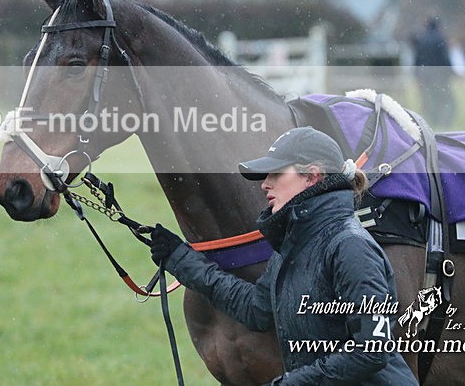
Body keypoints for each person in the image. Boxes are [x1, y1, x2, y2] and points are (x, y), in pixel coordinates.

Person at [149, 127, 418, 385]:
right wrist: (181, 260)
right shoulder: (293, 245)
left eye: (276, 173)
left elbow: (371, 351)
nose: (265, 184)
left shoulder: (351, 247)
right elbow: (256, 308)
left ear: (312, 176)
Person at [411, 17, 455, 128]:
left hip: (424, 75)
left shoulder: (421, 39)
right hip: (439, 75)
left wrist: (416, 74)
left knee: (429, 99)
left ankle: (432, 121)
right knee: (443, 98)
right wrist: (451, 71)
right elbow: (445, 58)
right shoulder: (440, 39)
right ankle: (443, 122)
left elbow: (417, 59)